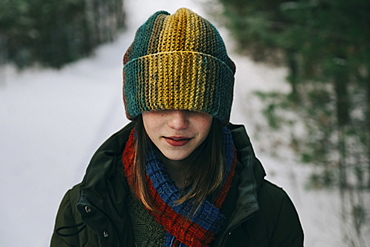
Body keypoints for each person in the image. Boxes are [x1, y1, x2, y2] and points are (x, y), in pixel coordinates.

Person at [51, 8, 304, 247]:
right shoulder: (84, 209)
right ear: (138, 107)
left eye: (196, 106)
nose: (178, 123)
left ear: (217, 111)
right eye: (161, 105)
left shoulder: (271, 211)